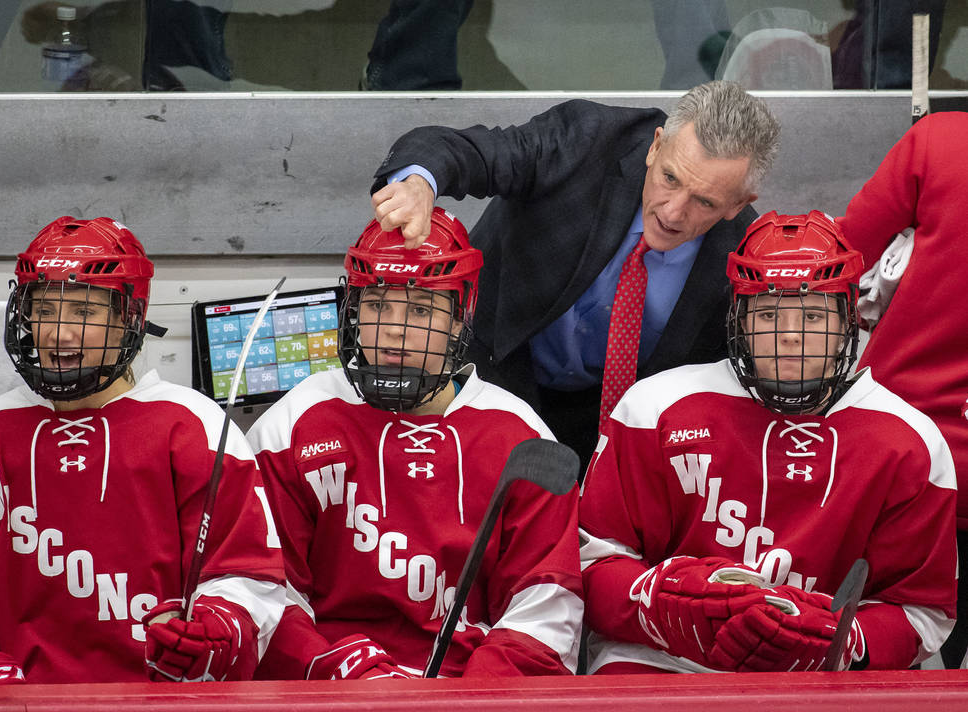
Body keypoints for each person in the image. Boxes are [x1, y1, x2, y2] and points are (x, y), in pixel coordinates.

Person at [579, 210, 957, 674]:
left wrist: (844, 641)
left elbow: (922, 610)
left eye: (814, 314)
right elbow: (590, 565)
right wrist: (666, 603)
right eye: (768, 313)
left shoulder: (911, 443)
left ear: (846, 320)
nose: (791, 336)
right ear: (737, 319)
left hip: (822, 683)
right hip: (662, 661)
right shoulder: (654, 409)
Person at [0, 216, 286, 685]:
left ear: (129, 318)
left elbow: (247, 573)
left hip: (167, 702)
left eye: (84, 313)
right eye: (45, 309)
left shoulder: (196, 428)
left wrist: (215, 631)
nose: (58, 334)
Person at [370, 80, 780, 472]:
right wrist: (420, 183)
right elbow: (471, 150)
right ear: (655, 147)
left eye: (704, 201)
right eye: (670, 179)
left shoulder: (741, 257)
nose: (672, 212)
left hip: (609, 417)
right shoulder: (587, 141)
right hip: (495, 364)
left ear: (736, 204)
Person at [247, 208, 582, 680]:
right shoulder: (293, 423)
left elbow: (548, 604)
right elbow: (261, 585)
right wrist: (334, 668)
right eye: (377, 304)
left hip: (466, 690)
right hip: (331, 689)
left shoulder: (520, 436)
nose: (395, 329)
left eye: (422, 309)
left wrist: (476, 694)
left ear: (461, 317)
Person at [838, 110, 968, 669]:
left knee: (892, 647)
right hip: (911, 452)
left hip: (907, 449)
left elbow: (840, 256)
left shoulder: (944, 142)